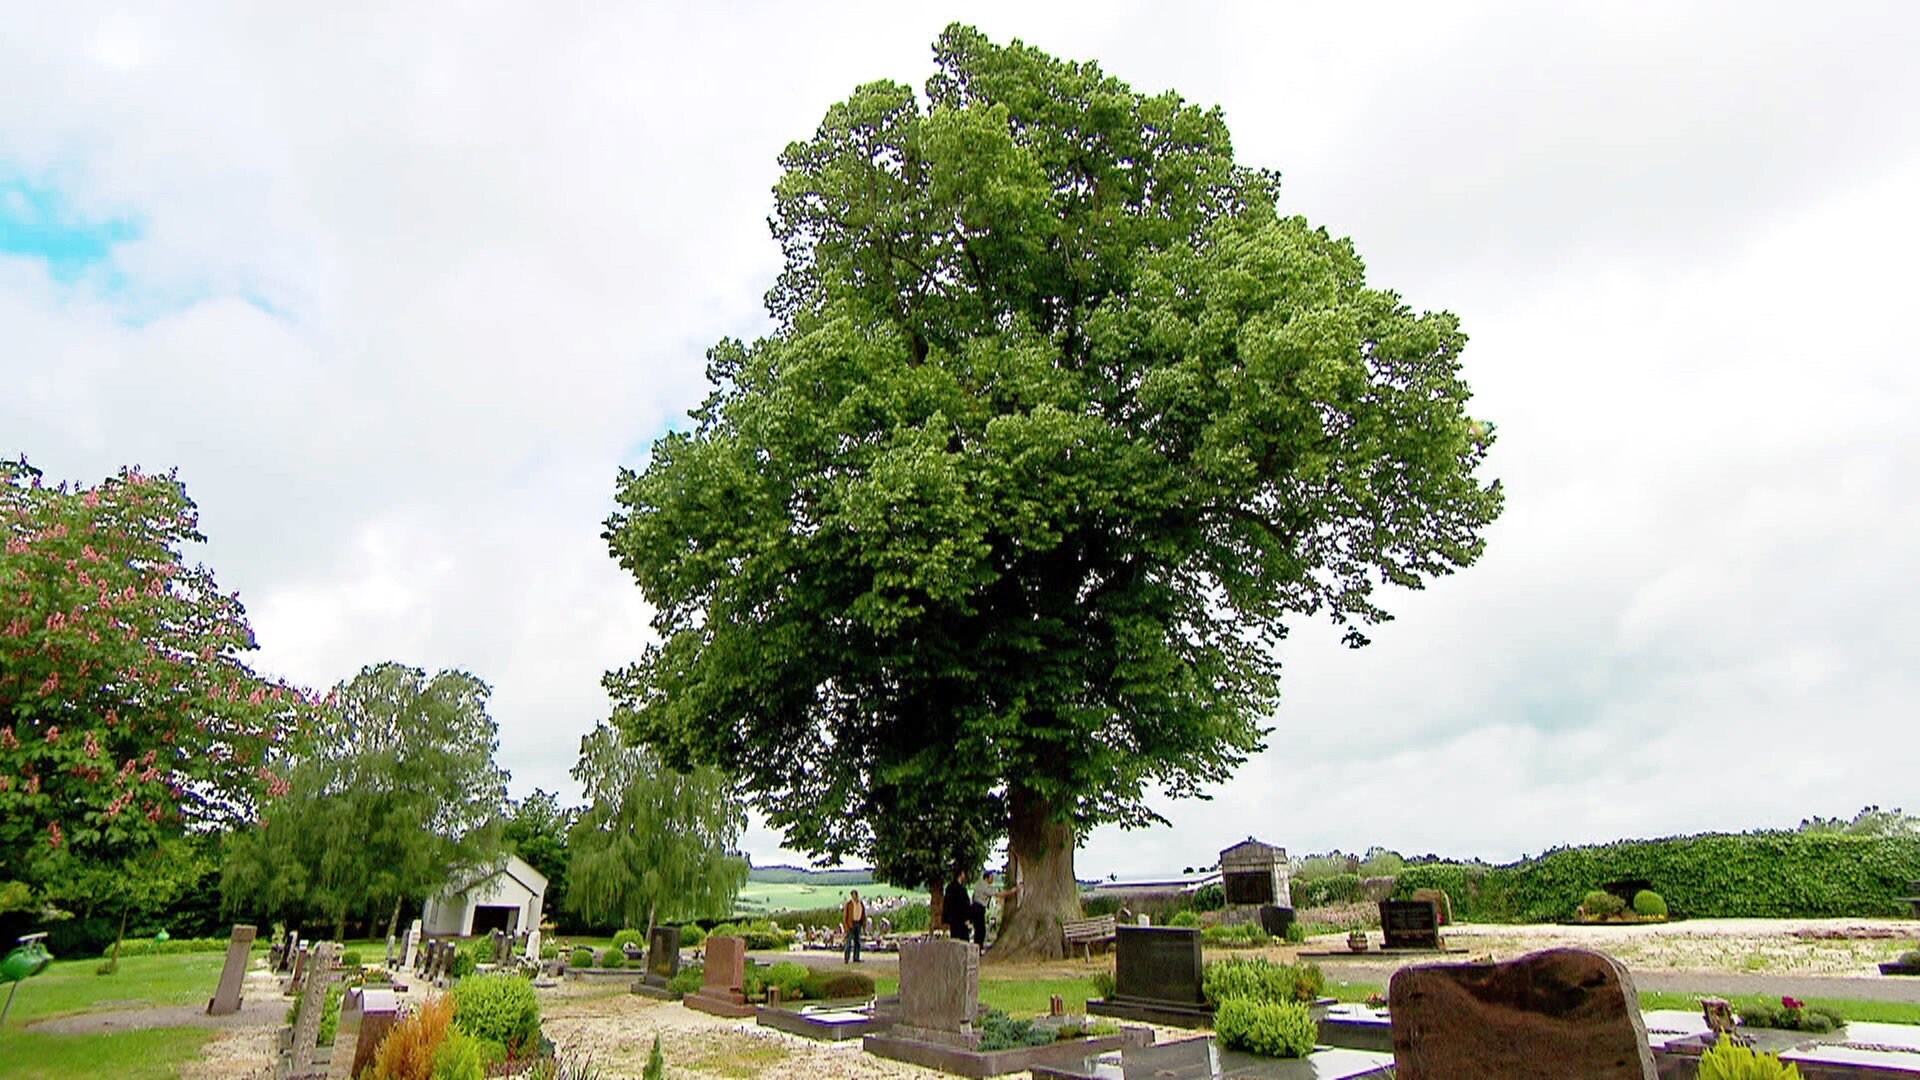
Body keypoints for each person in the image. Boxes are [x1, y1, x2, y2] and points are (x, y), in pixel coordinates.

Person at [970, 869, 1017, 948]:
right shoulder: (985, 886)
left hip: (976, 907)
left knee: (979, 929)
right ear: (987, 878)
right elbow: (998, 894)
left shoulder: (979, 884)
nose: (993, 879)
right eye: (991, 877)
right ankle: (978, 948)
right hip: (979, 908)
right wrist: (1012, 891)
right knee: (980, 930)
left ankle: (977, 947)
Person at [943, 869, 972, 941]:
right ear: (961, 874)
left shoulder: (949, 888)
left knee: (955, 939)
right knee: (964, 940)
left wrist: (946, 919)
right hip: (961, 919)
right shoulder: (962, 890)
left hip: (953, 919)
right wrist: (968, 917)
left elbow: (946, 904)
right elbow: (965, 905)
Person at [841, 889, 866, 963]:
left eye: (855, 895)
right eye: (853, 895)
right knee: (848, 942)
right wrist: (846, 927)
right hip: (851, 924)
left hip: (858, 923)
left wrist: (863, 924)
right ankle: (846, 958)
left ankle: (856, 957)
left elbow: (863, 914)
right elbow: (845, 916)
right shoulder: (848, 904)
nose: (854, 896)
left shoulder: (860, 903)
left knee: (857, 942)